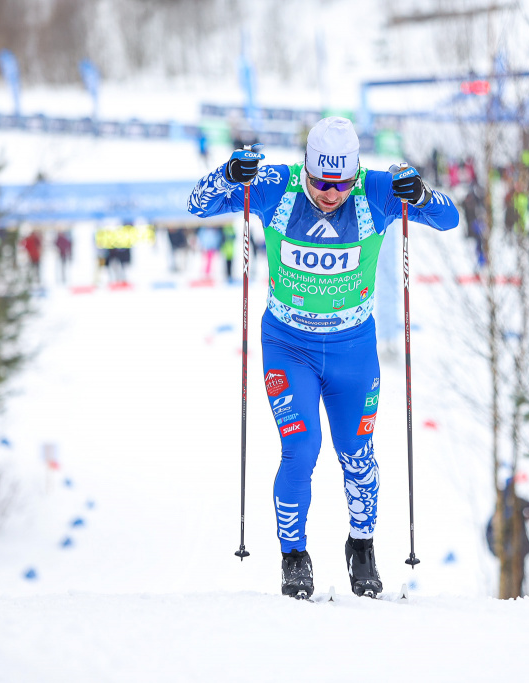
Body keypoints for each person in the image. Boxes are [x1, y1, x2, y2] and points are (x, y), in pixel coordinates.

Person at [188, 116, 459, 599]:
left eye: (340, 184)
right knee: (302, 450)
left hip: (353, 352)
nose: (329, 194)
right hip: (289, 346)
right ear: (306, 169)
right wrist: (228, 175)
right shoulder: (277, 186)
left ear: (355, 176)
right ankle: (294, 556)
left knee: (357, 456)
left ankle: (362, 547)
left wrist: (419, 194)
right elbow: (197, 204)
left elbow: (448, 217)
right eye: (319, 182)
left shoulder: (377, 191)